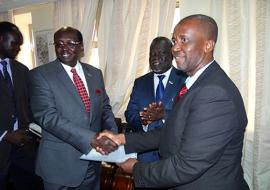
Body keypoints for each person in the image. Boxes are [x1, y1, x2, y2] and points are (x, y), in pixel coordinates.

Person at [96, 14, 250, 190]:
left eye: (184, 40)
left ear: (208, 45)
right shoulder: (194, 83)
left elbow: (186, 166)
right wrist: (121, 138)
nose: (175, 48)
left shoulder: (214, 94)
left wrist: (136, 168)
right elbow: (170, 132)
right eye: (174, 40)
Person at [29, 26, 118, 190]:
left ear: (81, 47)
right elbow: (47, 117)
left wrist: (112, 134)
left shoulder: (95, 73)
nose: (64, 48)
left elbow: (104, 108)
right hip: (59, 166)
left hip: (93, 162)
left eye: (71, 43)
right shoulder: (40, 75)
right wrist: (91, 138)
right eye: (59, 44)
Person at [125, 36, 186, 162]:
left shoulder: (184, 80)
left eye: (161, 53)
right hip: (145, 156)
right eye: (152, 54)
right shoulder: (140, 82)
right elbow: (130, 113)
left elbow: (188, 115)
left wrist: (164, 115)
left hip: (174, 157)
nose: (155, 57)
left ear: (171, 55)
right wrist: (143, 120)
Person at [0, 21, 43, 190]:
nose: (18, 48)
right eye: (14, 43)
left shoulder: (22, 70)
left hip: (25, 147)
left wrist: (38, 131)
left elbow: (29, 105)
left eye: (20, 44)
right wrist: (4, 135)